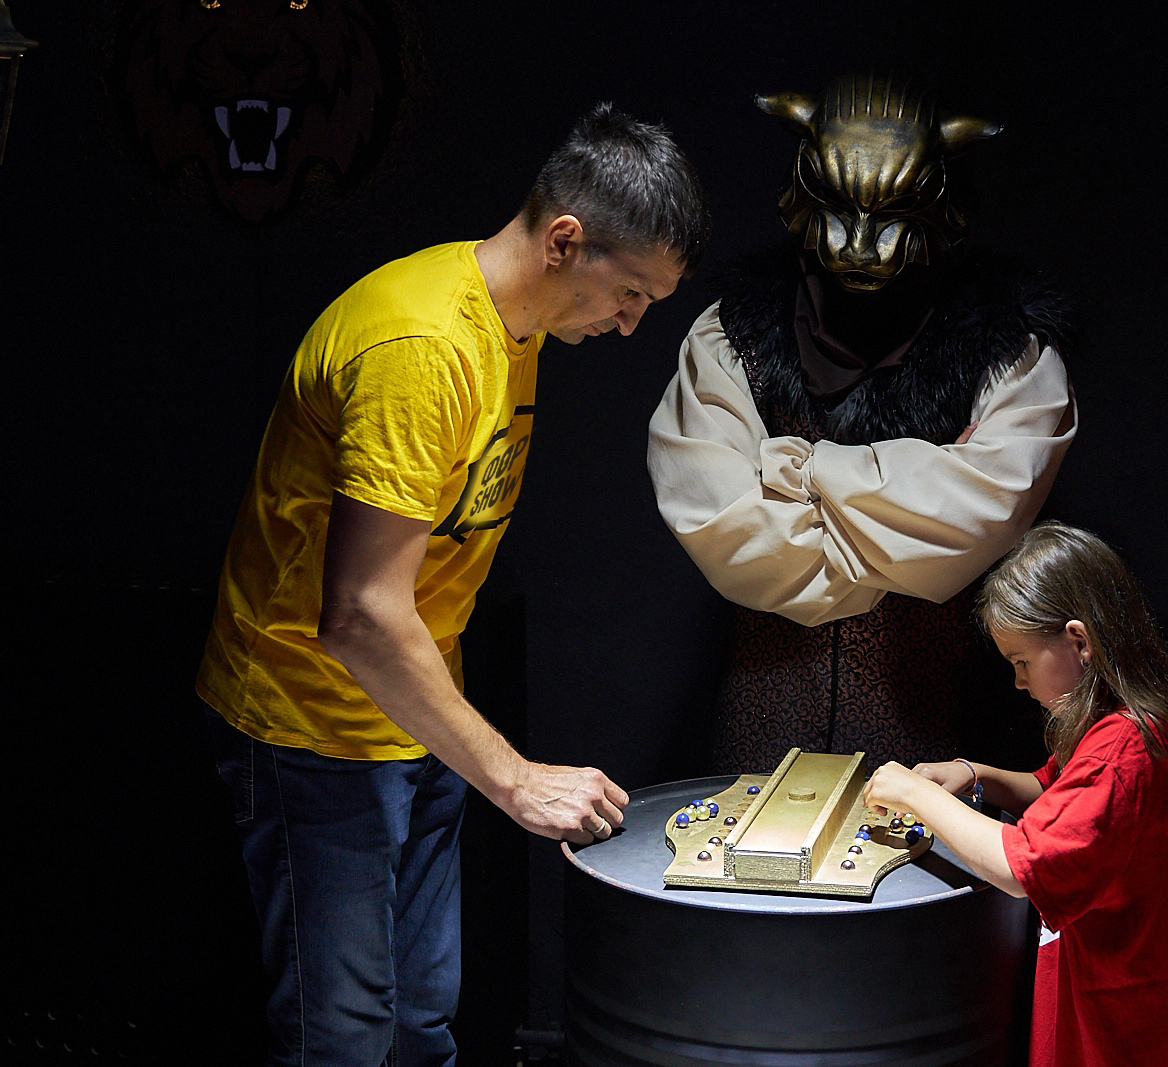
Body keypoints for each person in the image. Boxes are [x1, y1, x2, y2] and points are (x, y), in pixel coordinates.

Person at [195, 103, 710, 1066]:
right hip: (313, 725)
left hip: (419, 713)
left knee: (420, 1021)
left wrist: (470, 756)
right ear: (566, 241)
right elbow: (359, 613)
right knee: (341, 1038)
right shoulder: (423, 347)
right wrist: (515, 779)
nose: (632, 323)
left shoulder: (517, 329)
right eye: (631, 292)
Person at [648, 74, 1076, 773]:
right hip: (767, 717)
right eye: (841, 213)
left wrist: (802, 474)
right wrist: (912, 530)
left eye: (891, 216)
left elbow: (984, 511)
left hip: (938, 733)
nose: (861, 248)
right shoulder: (732, 335)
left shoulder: (1011, 352)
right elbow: (722, 526)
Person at [863, 522, 1168, 1067]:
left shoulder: (1120, 753)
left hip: (1119, 1033)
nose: (1019, 683)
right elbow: (1053, 792)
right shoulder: (1129, 723)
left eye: (1022, 662)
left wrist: (915, 794)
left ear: (1079, 641)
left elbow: (1023, 866)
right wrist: (975, 773)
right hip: (1126, 1002)